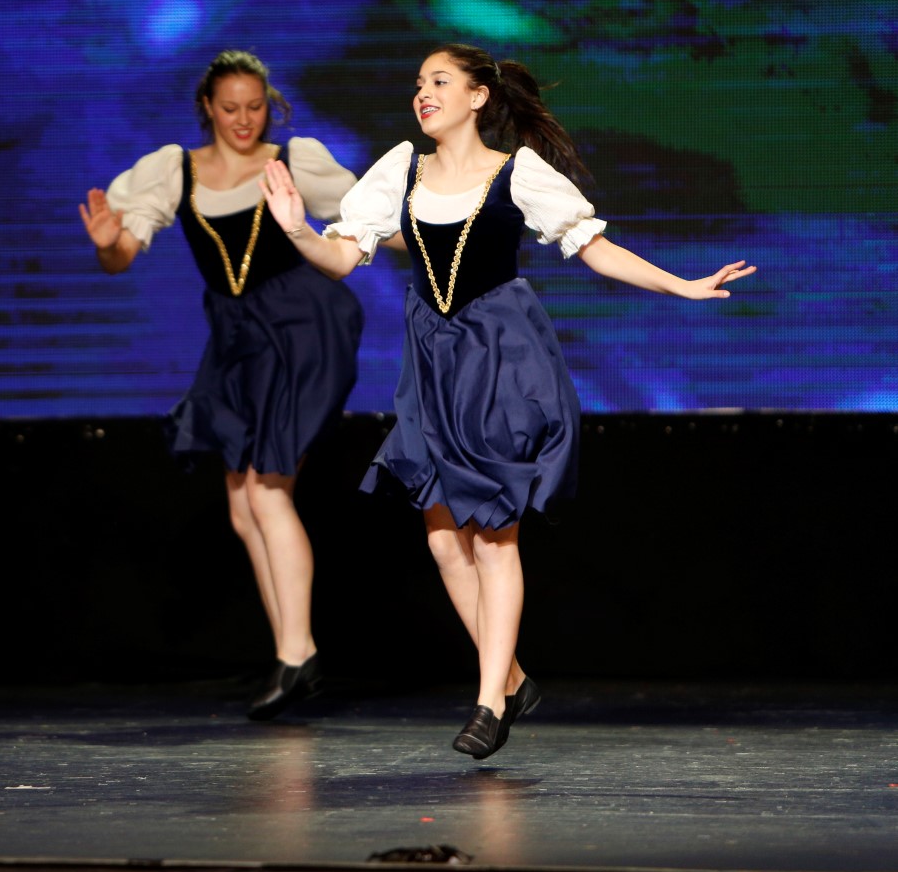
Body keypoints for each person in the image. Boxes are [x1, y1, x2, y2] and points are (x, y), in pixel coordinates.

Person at [260, 41, 756, 758]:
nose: (423, 93)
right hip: (433, 364)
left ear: (478, 96)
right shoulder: (400, 170)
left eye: (439, 81)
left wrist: (683, 285)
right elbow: (341, 258)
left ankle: (489, 701)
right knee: (441, 539)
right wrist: (297, 229)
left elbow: (593, 248)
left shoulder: (517, 172)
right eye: (418, 82)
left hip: (502, 358)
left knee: (494, 534)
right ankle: (514, 679)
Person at [78, 50, 365, 721]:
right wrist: (107, 243)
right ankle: (293, 653)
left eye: (255, 107)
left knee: (267, 490)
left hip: (301, 324)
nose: (243, 119)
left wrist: (438, 232)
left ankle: (298, 655)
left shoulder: (292, 162)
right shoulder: (174, 170)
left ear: (270, 106)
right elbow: (121, 257)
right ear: (207, 107)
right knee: (242, 507)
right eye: (230, 107)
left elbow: (367, 219)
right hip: (236, 337)